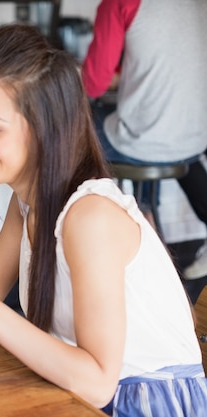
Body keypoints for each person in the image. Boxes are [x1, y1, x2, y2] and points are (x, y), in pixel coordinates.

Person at [0, 25, 207, 416]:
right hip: (75, 396)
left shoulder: (90, 218)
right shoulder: (26, 205)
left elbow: (97, 382)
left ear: (44, 129)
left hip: (140, 404)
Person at [81, 0, 207, 280]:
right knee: (157, 134)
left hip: (145, 141)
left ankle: (88, 241)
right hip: (195, 139)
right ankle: (146, 212)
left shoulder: (119, 3)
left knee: (76, 130)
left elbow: (94, 83)